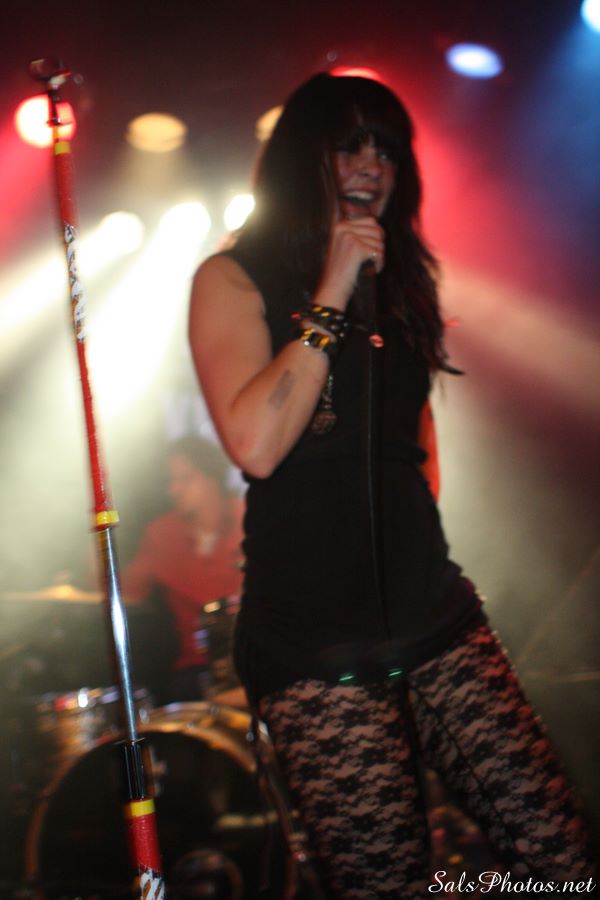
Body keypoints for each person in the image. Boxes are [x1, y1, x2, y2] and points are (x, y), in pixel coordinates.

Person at [189, 73, 596, 898]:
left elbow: (418, 447)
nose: (373, 163)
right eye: (351, 145)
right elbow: (257, 446)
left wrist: (417, 561)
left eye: (387, 147)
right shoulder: (231, 279)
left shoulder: (404, 282)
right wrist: (331, 294)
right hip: (312, 642)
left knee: (562, 862)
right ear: (305, 158)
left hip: (433, 618)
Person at [123, 435, 244, 702]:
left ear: (212, 478)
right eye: (171, 481)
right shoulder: (161, 534)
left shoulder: (245, 518)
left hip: (254, 657)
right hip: (196, 670)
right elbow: (128, 591)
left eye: (185, 479)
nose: (174, 489)